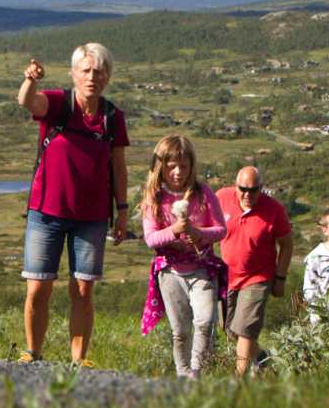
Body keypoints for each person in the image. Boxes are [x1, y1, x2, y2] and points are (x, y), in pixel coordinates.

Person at [16, 43, 130, 364]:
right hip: (46, 213)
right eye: (86, 71)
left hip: (91, 218)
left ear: (107, 77)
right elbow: (27, 102)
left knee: (83, 290)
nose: (92, 77)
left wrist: (122, 211)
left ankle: (78, 360)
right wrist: (31, 80)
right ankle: (32, 352)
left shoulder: (112, 117)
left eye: (98, 71)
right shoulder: (58, 103)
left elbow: (118, 167)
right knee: (38, 287)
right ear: (74, 74)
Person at [138, 135, 228, 378]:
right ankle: (183, 372)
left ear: (192, 166)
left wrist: (199, 234)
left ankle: (196, 373)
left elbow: (221, 229)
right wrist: (174, 232)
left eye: (184, 166)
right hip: (170, 273)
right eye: (171, 166)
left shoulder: (204, 194)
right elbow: (151, 238)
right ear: (161, 167)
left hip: (202, 269)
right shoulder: (154, 199)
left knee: (205, 321)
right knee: (180, 330)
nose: (178, 172)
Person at [215, 165, 293, 375]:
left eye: (254, 190)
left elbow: (287, 244)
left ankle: (240, 381)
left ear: (261, 188)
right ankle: (263, 359)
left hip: (258, 277)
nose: (248, 194)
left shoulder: (274, 210)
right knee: (231, 330)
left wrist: (280, 278)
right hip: (228, 277)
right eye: (243, 189)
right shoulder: (221, 198)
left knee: (246, 329)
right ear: (235, 186)